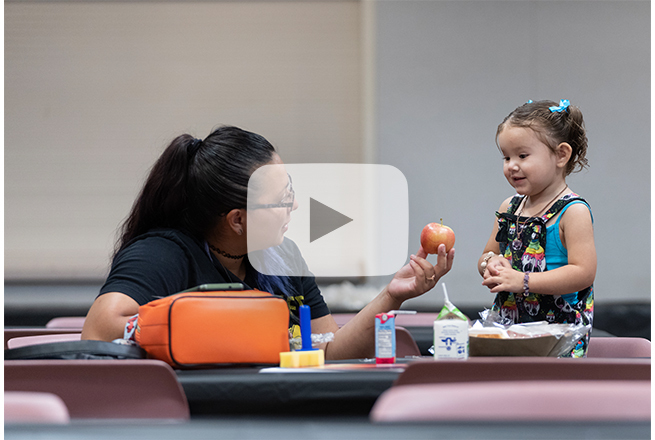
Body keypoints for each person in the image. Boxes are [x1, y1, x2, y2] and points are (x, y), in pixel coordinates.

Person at [81, 125, 455, 360]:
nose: (293, 204)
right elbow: (98, 330)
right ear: (238, 220)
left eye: (290, 188)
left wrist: (393, 294)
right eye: (281, 199)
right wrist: (240, 328)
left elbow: (330, 349)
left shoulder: (283, 255)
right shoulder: (162, 253)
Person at [478, 100, 596, 358]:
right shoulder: (509, 207)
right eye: (506, 157)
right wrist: (493, 265)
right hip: (511, 329)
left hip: (559, 337)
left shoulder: (573, 211)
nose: (511, 165)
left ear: (561, 155)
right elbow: (487, 255)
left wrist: (523, 281)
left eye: (522, 155)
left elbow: (583, 272)